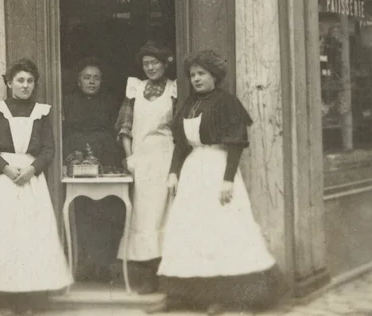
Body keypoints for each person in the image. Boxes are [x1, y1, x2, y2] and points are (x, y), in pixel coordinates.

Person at [156, 50, 281, 313]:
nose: (197, 79)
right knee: (191, 232)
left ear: (214, 76)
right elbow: (180, 145)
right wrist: (173, 172)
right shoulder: (188, 105)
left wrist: (227, 180)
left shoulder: (227, 103)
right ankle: (190, 296)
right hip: (193, 172)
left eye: (201, 74)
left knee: (223, 231)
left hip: (217, 169)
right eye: (192, 75)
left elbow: (235, 144)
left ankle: (229, 297)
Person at [0, 58, 72, 311]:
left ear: (34, 85)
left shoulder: (42, 112)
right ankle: (6, 299)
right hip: (5, 181)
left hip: (32, 181)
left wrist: (32, 170)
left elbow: (48, 150)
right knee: (5, 237)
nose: (25, 85)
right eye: (20, 80)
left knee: (32, 238)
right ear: (9, 82)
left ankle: (31, 300)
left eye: (29, 81)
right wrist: (6, 168)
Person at [116, 40, 177, 294]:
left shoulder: (175, 89)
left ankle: (167, 276)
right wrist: (130, 158)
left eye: (155, 63)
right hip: (141, 160)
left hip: (166, 158)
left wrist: (176, 166)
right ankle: (146, 277)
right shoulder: (135, 89)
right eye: (146, 64)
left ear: (165, 63)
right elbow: (125, 128)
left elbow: (179, 129)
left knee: (166, 215)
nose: (150, 68)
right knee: (143, 217)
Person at [62, 59, 124, 282]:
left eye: (96, 78)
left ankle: (103, 266)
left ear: (101, 81)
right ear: (79, 81)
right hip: (77, 160)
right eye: (87, 77)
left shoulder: (110, 102)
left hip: (104, 158)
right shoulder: (68, 101)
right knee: (82, 213)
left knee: (106, 213)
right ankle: (84, 266)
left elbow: (114, 132)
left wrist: (101, 149)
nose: (91, 82)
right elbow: (64, 133)